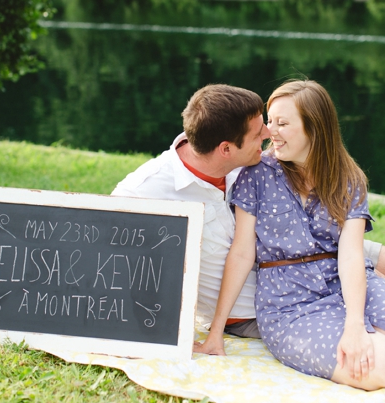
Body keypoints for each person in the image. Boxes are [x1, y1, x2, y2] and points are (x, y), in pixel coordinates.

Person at [113, 84, 384, 339]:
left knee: (371, 260)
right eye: (258, 134)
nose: (267, 134)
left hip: (308, 256)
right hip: (261, 305)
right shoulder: (144, 191)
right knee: (365, 337)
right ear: (226, 149)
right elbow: (95, 246)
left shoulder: (252, 163)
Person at [196, 80, 385, 389]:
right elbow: (243, 253)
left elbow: (351, 254)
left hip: (351, 285)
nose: (270, 132)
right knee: (373, 367)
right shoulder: (256, 175)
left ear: (315, 128)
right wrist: (215, 333)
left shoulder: (349, 179)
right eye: (270, 122)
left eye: (282, 123)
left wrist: (354, 324)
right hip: (291, 305)